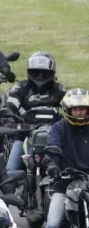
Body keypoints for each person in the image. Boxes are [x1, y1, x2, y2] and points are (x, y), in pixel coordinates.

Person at [3, 52, 65, 183]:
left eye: (44, 72)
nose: (40, 76)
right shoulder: (21, 87)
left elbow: (69, 106)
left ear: (51, 72)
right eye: (36, 72)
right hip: (24, 136)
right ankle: (8, 196)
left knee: (69, 167)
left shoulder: (58, 89)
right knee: (10, 171)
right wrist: (10, 118)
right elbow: (10, 105)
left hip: (54, 136)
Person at [42, 89, 89, 228]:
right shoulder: (58, 128)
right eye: (75, 109)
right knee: (53, 224)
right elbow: (52, 148)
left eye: (82, 109)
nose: (79, 113)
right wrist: (52, 165)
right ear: (68, 110)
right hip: (63, 185)